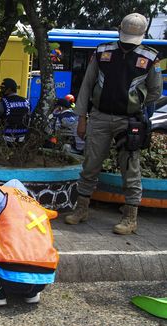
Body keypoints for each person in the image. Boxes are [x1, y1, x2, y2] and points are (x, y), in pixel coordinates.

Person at [65, 13, 163, 234]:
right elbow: (87, 86)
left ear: (143, 34)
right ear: (119, 29)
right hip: (99, 117)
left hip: (129, 121)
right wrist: (82, 119)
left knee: (130, 167)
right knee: (89, 165)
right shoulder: (102, 52)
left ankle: (130, 218)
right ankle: (81, 209)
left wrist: (135, 105)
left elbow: (155, 91)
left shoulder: (149, 58)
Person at [0, 179, 59, 306]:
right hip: (42, 281)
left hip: (8, 277)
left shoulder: (0, 193)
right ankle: (31, 293)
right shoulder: (36, 205)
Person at [0, 78, 31, 144]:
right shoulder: (26, 101)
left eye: (2, 89)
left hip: (6, 140)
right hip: (23, 140)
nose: (1, 91)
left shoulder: (3, 102)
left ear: (9, 89)